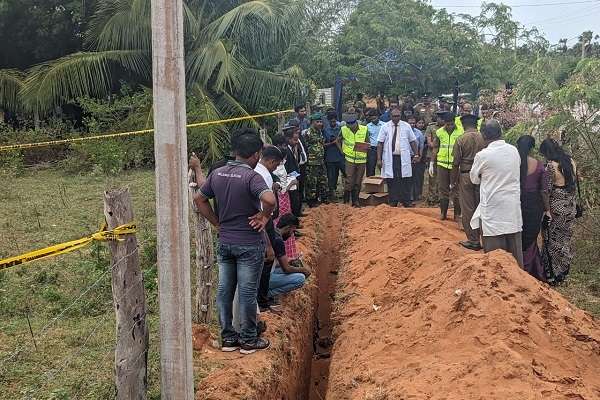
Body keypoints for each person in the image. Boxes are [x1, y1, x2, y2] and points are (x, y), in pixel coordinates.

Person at [193, 129, 276, 354]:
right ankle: (249, 339)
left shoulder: (218, 173)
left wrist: (217, 223)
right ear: (256, 154)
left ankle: (228, 338)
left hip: (226, 241)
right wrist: (264, 216)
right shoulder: (252, 176)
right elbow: (269, 199)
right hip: (249, 243)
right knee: (248, 292)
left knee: (224, 290)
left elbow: (199, 198)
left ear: (236, 151)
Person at [470, 120, 524, 267]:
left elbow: (474, 179)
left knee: (495, 258)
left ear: (484, 135)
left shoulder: (483, 155)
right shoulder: (514, 150)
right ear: (500, 133)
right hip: (512, 207)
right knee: (514, 252)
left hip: (493, 209)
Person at [539, 138, 578, 285]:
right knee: (565, 239)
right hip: (570, 207)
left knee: (551, 241)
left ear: (547, 152)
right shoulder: (571, 161)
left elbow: (546, 190)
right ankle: (564, 271)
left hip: (556, 208)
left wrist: (546, 211)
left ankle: (552, 275)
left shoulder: (551, 166)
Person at [517, 135, 550, 281]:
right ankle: (531, 270)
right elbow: (544, 191)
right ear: (532, 148)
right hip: (533, 205)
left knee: (519, 234)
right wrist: (547, 209)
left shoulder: (514, 163)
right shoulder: (539, 165)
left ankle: (517, 267)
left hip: (516, 203)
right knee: (530, 238)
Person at [451, 114, 485, 250]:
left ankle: (473, 240)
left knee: (468, 208)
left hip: (466, 176)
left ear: (463, 125)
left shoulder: (460, 139)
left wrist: (453, 182)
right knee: (481, 206)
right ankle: (485, 238)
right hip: (482, 176)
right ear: (476, 124)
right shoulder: (484, 138)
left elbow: (455, 163)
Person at [377, 108, 419, 207]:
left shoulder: (406, 126)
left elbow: (412, 141)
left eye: (398, 116)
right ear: (390, 116)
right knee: (392, 180)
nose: (396, 118)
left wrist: (416, 154)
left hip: (404, 157)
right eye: (394, 116)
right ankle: (393, 201)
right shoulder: (385, 127)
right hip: (390, 158)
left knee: (405, 179)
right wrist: (379, 159)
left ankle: (406, 201)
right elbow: (380, 143)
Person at [267, 214, 312, 299]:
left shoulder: (273, 234)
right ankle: (267, 294)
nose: (292, 234)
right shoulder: (278, 241)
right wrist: (303, 270)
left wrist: (289, 260)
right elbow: (286, 269)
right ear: (288, 227)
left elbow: (272, 262)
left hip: (262, 276)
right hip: (264, 279)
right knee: (300, 279)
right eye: (292, 231)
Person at [431, 112, 464, 220]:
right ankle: (443, 213)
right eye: (447, 124)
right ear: (444, 123)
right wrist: (432, 162)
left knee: (456, 189)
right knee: (442, 189)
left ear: (454, 122)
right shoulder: (439, 132)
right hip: (442, 164)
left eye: (451, 124)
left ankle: (457, 214)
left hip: (456, 165)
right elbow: (436, 147)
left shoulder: (461, 131)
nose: (449, 126)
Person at [339, 113, 369, 207]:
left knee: (358, 181)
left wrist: (366, 147)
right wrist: (342, 151)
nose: (350, 126)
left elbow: (368, 142)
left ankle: (355, 201)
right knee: (349, 180)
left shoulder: (364, 129)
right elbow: (337, 140)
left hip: (362, 159)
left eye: (352, 124)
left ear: (356, 122)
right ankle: (346, 201)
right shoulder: (344, 129)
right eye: (348, 124)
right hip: (349, 159)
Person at [304, 113, 328, 207]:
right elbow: (305, 147)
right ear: (313, 122)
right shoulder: (308, 132)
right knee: (312, 182)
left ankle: (323, 198)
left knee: (322, 180)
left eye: (321, 122)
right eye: (317, 122)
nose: (320, 124)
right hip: (312, 162)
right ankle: (312, 201)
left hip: (321, 160)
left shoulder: (320, 131)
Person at [283, 123, 306, 217]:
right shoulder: (286, 151)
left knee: (297, 197)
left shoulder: (293, 148)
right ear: (288, 139)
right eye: (295, 140)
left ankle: (297, 215)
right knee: (293, 199)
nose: (297, 142)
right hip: (290, 179)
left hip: (295, 177)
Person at [323, 111, 345, 201]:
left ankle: (347, 192)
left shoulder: (341, 129)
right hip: (330, 157)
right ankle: (332, 194)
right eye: (331, 121)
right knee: (332, 177)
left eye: (334, 121)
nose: (333, 122)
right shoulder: (325, 130)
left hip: (341, 156)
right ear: (328, 120)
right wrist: (333, 142)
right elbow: (323, 144)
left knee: (346, 174)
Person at [408, 116, 426, 201]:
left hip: (415, 157)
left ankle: (416, 195)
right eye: (410, 123)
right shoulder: (404, 132)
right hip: (406, 157)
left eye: (413, 123)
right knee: (407, 177)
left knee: (416, 177)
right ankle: (408, 195)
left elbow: (421, 146)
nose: (412, 124)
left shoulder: (419, 133)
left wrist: (419, 157)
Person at [366, 109, 385, 177]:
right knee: (370, 167)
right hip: (372, 149)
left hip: (383, 149)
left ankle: (385, 182)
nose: (373, 119)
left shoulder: (384, 125)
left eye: (375, 117)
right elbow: (367, 138)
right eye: (372, 118)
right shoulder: (368, 126)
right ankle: (370, 183)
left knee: (384, 167)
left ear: (378, 117)